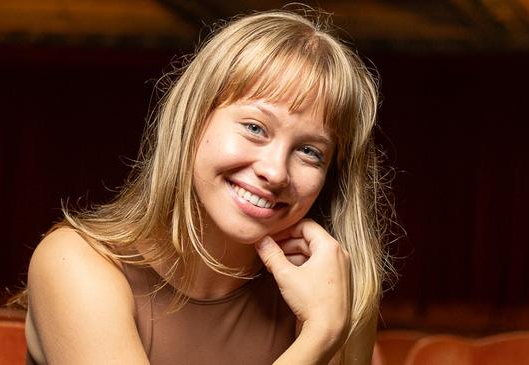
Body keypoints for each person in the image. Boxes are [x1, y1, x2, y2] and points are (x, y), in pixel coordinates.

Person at [20, 7, 394, 365]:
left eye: (310, 151)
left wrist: (332, 323)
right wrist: (320, 337)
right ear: (194, 120)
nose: (276, 172)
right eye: (255, 128)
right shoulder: (76, 263)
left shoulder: (335, 286)